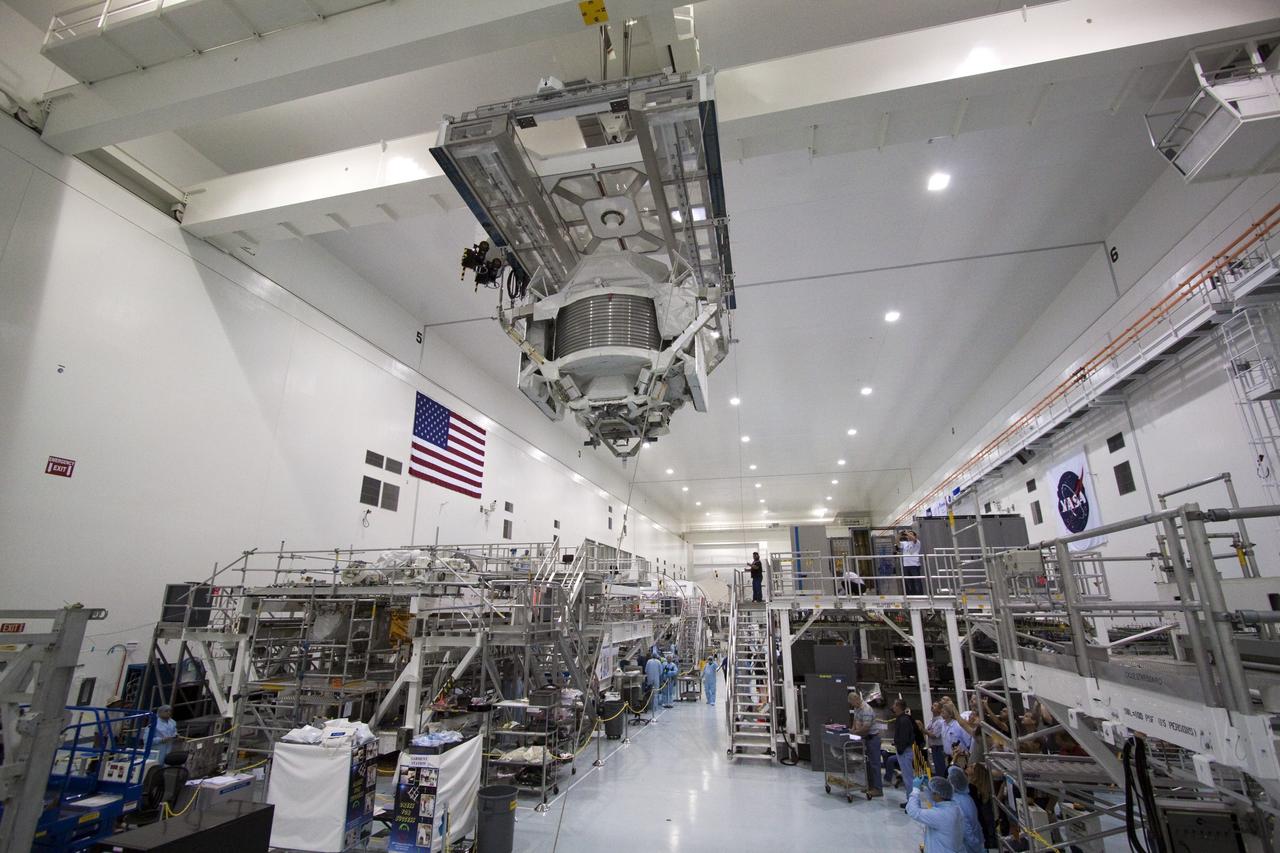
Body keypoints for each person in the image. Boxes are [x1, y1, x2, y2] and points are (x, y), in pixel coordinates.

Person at [906, 776, 965, 853]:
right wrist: (928, 787)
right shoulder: (955, 807)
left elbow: (913, 811)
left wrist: (915, 790)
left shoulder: (940, 814)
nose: (931, 793)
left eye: (932, 792)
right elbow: (937, 801)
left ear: (937, 794)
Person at [848, 691, 883, 798]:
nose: (852, 705)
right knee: (868, 764)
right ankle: (869, 786)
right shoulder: (857, 708)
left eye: (852, 703)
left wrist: (854, 733)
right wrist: (852, 730)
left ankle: (878, 789)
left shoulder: (866, 709)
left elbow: (866, 728)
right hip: (865, 739)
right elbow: (855, 721)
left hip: (872, 739)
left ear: (856, 699)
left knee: (875, 764)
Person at [948, 766, 985, 853]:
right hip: (975, 841)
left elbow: (967, 831)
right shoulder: (967, 797)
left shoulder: (956, 802)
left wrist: (976, 847)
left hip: (968, 846)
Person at [891, 699, 918, 807]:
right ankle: (910, 800)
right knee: (907, 777)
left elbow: (905, 737)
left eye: (894, 705)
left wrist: (900, 748)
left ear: (898, 706)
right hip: (903, 750)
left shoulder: (903, 720)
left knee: (908, 778)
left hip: (905, 751)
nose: (893, 707)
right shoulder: (902, 719)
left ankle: (912, 803)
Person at [927, 701, 948, 776]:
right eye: (932, 705)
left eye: (935, 706)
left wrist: (923, 729)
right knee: (935, 766)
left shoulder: (940, 722)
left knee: (940, 766)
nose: (932, 706)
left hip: (939, 747)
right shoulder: (931, 720)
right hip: (933, 747)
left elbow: (934, 735)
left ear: (939, 710)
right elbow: (929, 731)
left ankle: (942, 781)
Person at [902, 530, 924, 595]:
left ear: (915, 536)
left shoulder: (917, 542)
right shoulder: (905, 543)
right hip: (906, 565)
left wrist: (906, 533)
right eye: (908, 534)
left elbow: (913, 539)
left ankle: (920, 595)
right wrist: (900, 535)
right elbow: (897, 543)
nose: (909, 535)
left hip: (914, 565)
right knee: (908, 581)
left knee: (917, 581)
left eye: (911, 534)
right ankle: (912, 595)